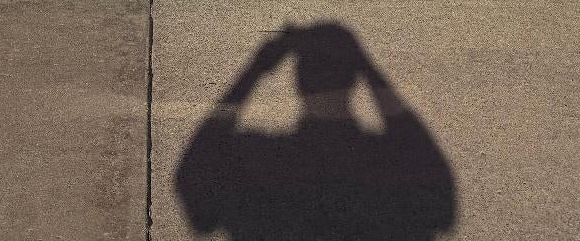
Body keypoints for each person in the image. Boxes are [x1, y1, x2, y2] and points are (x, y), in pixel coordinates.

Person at [175, 21, 457, 241]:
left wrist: (254, 70)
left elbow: (193, 170)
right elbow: (440, 194)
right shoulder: (385, 163)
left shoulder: (262, 161)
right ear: (354, 78)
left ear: (298, 82)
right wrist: (368, 67)